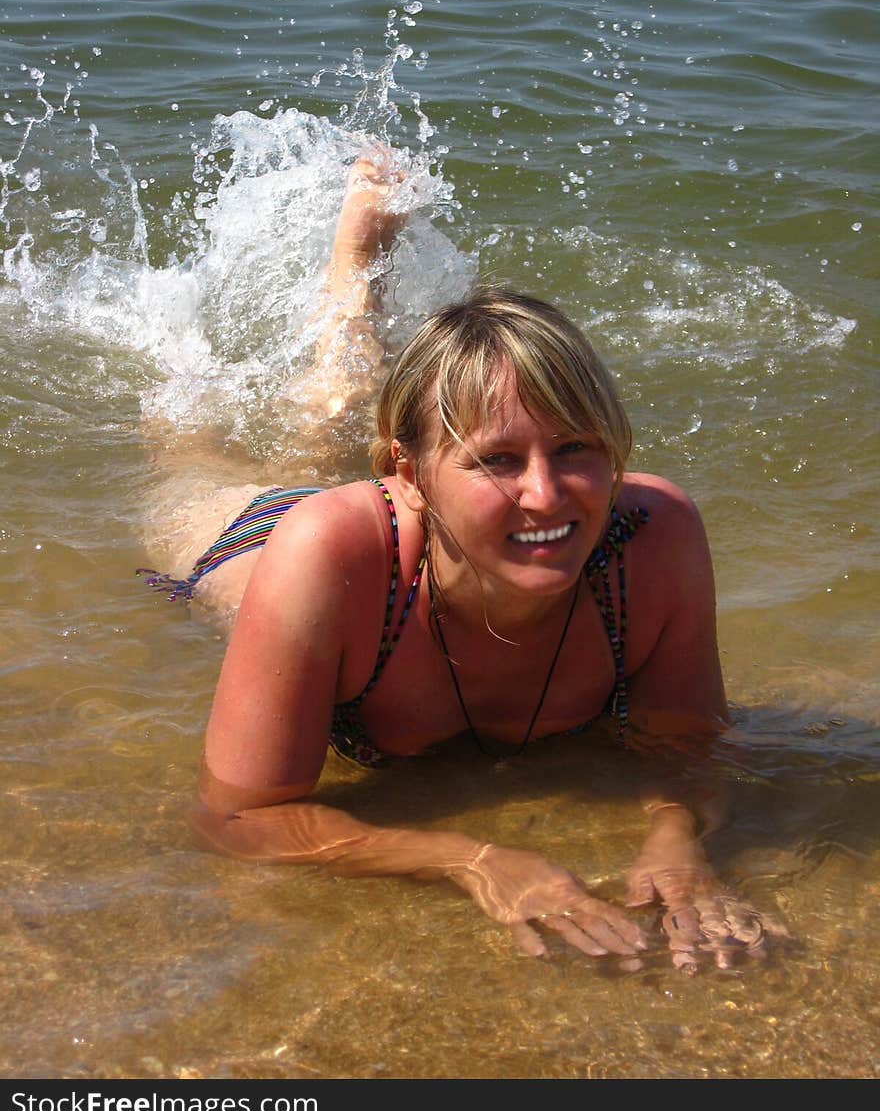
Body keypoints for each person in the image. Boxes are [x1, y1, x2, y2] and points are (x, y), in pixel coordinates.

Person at [142, 155, 787, 971]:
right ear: (407, 477)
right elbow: (233, 818)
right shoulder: (322, 549)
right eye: (500, 460)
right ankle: (349, 271)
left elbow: (687, 745)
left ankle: (369, 300)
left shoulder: (651, 536)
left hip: (410, 523)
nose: (548, 495)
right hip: (259, 542)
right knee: (195, 447)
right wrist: (471, 860)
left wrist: (676, 836)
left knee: (350, 425)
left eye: (576, 447)